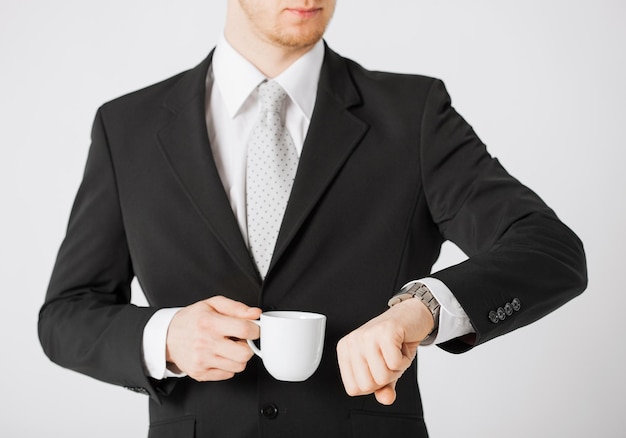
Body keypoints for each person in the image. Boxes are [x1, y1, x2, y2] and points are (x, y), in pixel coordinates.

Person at [38, 1, 587, 437]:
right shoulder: (126, 127)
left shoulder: (413, 113)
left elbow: (549, 250)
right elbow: (66, 314)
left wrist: (421, 310)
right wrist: (163, 337)